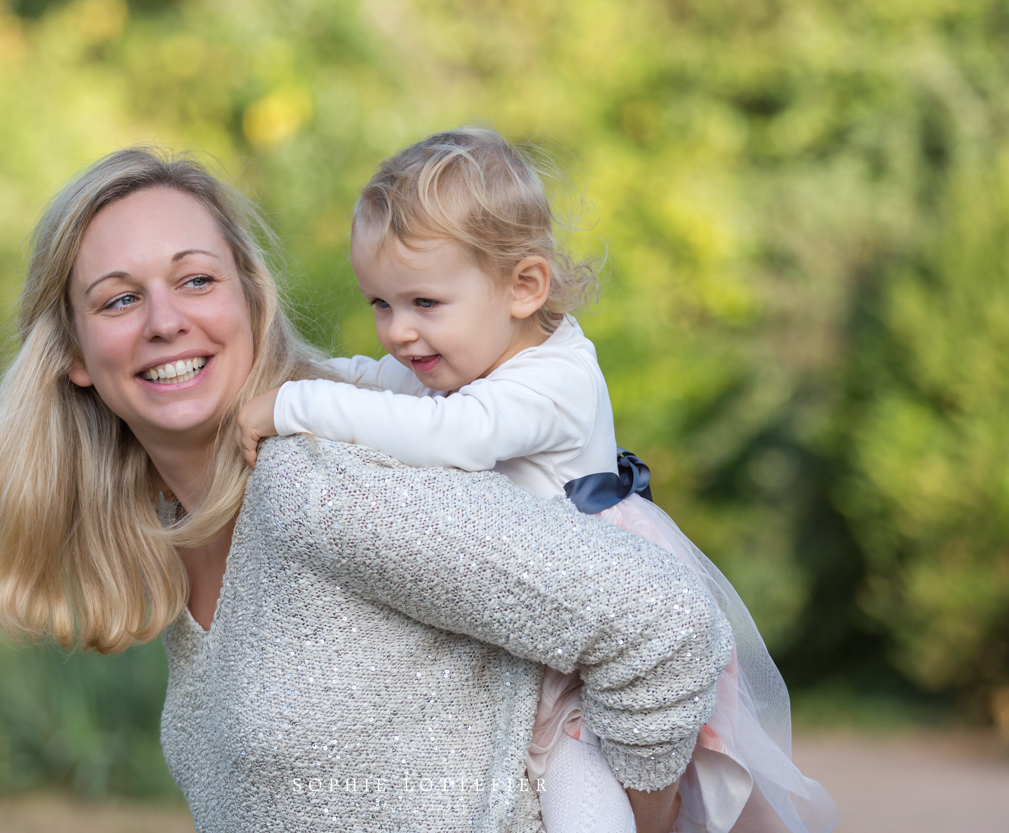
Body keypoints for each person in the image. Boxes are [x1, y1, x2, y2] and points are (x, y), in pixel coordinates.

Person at [0, 146, 733, 833]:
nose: (163, 320)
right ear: (76, 353)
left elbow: (664, 624)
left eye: (195, 279)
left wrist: (630, 812)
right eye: (119, 298)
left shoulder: (319, 488)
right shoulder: (176, 529)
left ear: (251, 300)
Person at [236, 128, 838, 833]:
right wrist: (297, 377)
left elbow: (451, 439)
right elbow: (377, 381)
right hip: (534, 627)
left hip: (602, 635)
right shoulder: (456, 356)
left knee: (584, 798)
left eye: (423, 303)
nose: (398, 331)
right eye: (380, 304)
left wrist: (291, 406)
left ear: (524, 287)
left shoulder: (552, 380)